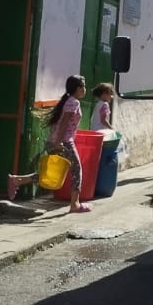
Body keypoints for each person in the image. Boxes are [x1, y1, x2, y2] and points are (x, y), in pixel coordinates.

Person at [8, 76, 92, 214]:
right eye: (84, 86)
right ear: (79, 88)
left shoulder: (67, 101)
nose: (85, 89)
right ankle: (75, 204)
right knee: (76, 170)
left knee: (53, 171)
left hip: (55, 141)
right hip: (64, 142)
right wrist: (59, 142)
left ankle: (18, 180)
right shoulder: (74, 102)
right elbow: (64, 123)